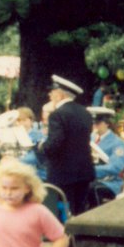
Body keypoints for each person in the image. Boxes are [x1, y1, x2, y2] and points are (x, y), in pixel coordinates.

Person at [36, 75, 95, 215]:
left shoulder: (57, 114)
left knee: (61, 213)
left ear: (60, 94)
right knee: (79, 212)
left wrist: (41, 147)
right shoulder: (85, 112)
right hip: (84, 171)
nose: (50, 94)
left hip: (63, 173)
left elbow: (55, 143)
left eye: (53, 91)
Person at [89, 107, 124, 196]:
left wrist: (90, 171)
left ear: (107, 124)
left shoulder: (117, 142)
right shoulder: (91, 138)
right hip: (91, 177)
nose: (94, 126)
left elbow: (116, 167)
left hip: (110, 182)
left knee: (88, 188)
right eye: (92, 123)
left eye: (97, 123)